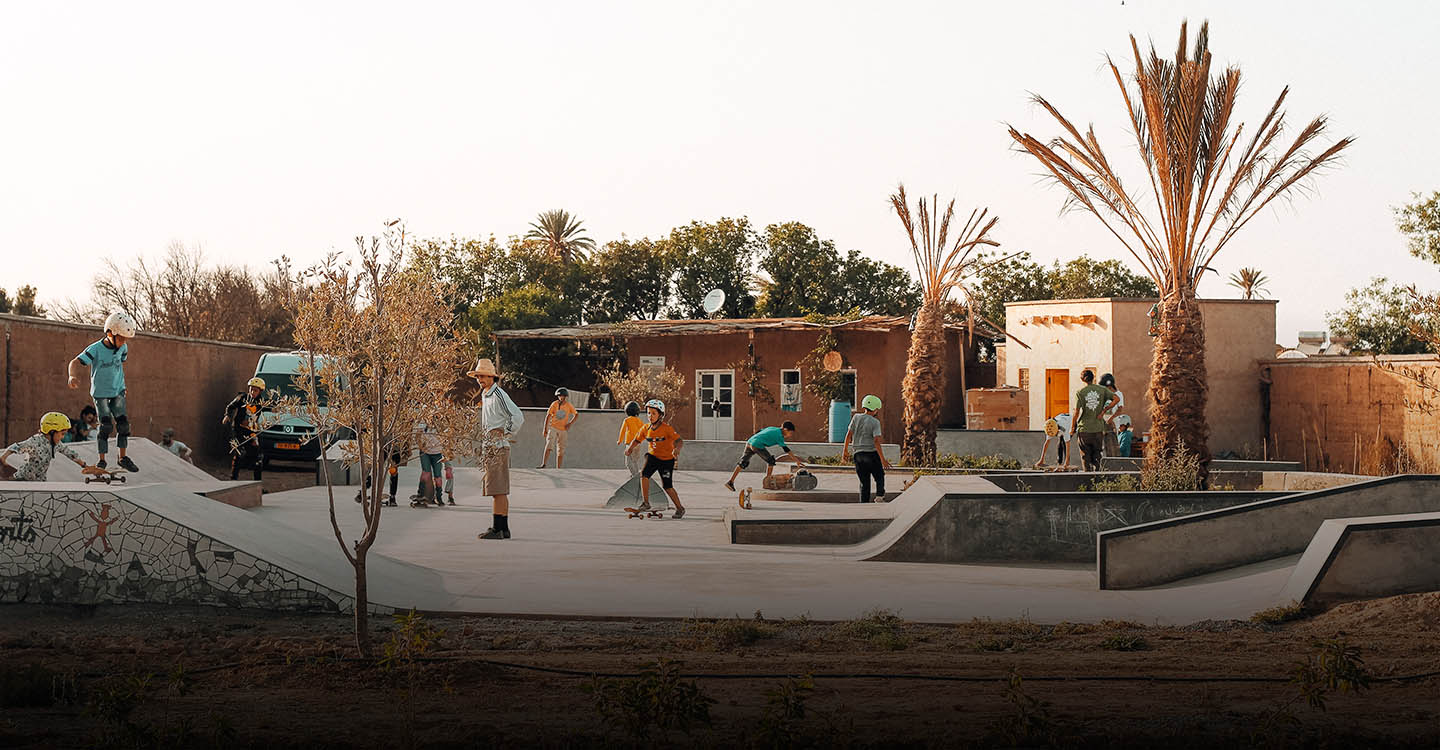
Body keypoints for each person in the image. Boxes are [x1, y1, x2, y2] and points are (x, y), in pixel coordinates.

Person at [67, 311, 140, 472]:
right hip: (100, 394)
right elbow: (74, 362)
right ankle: (102, 460)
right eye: (120, 338)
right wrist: (72, 376)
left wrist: (121, 386)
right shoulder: (96, 349)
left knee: (123, 426)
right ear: (109, 333)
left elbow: (119, 365)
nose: (123, 342)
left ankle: (122, 458)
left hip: (118, 392)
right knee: (106, 426)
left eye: (125, 339)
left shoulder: (123, 348)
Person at [469, 358, 523, 540]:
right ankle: (503, 528)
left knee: (497, 490)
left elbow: (517, 416)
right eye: (478, 376)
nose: (480, 379)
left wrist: (505, 432)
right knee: (497, 490)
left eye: (483, 376)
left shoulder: (498, 394)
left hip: (498, 447)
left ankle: (497, 529)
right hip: (490, 447)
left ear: (492, 377)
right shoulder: (486, 395)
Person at [624, 399, 686, 518]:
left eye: (653, 413)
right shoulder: (645, 428)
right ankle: (646, 503)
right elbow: (637, 439)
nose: (650, 416)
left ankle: (680, 508)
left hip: (667, 460)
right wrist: (630, 448)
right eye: (648, 413)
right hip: (653, 457)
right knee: (644, 474)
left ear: (660, 415)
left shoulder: (666, 429)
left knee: (667, 486)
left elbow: (679, 440)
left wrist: (677, 449)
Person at [1, 412, 94, 481]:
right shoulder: (35, 442)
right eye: (62, 434)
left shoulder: (56, 444)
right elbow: (16, 447)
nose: (63, 437)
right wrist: (3, 458)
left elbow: (71, 454)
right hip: (22, 479)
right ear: (52, 431)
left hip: (40, 481)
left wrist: (85, 466)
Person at [723, 421, 806, 492]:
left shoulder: (772, 428)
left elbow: (759, 431)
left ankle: (730, 482)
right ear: (785, 429)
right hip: (757, 444)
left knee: (743, 463)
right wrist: (797, 461)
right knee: (771, 461)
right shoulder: (779, 436)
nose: (790, 435)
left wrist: (756, 439)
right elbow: (786, 450)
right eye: (790, 433)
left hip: (750, 442)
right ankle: (767, 482)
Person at [842, 395, 892, 503]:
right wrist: (883, 459)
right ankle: (879, 496)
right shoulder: (875, 422)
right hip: (871, 454)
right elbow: (876, 441)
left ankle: (863, 505)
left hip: (858, 455)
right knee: (879, 476)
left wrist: (845, 451)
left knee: (864, 483)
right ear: (875, 409)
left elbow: (848, 435)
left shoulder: (856, 417)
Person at [1069, 370, 1120, 472]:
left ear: (1082, 379)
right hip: (1098, 429)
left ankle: (1088, 481)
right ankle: (1098, 481)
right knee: (1097, 456)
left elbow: (1076, 412)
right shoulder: (1102, 390)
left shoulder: (1080, 393)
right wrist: (1103, 411)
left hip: (1084, 429)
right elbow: (1116, 399)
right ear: (1093, 378)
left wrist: (1073, 427)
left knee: (1085, 457)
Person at [223, 377, 268, 481]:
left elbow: (273, 406)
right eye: (251, 389)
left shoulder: (261, 402)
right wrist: (227, 416)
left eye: (255, 390)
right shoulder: (242, 398)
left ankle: (257, 483)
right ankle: (233, 479)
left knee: (258, 458)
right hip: (238, 431)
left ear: (260, 391)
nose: (252, 392)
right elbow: (230, 406)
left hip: (251, 432)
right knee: (239, 453)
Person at [537, 387, 579, 469]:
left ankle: (558, 468)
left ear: (565, 397)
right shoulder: (554, 404)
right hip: (553, 427)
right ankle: (544, 464)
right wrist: (545, 429)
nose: (561, 398)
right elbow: (548, 416)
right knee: (549, 445)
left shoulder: (569, 405)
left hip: (563, 430)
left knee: (561, 450)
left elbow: (576, 414)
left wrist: (570, 423)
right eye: (560, 396)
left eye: (563, 396)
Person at [411, 420, 446, 506]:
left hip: (438, 453)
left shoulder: (441, 423)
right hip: (425, 452)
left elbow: (447, 438)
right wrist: (421, 447)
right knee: (426, 472)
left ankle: (438, 496)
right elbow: (417, 436)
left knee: (438, 476)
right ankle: (421, 494)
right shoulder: (423, 423)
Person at [616, 401, 647, 475]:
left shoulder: (627, 420)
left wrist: (619, 440)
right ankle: (636, 474)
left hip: (630, 444)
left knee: (628, 462)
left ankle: (635, 475)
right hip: (638, 443)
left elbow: (622, 431)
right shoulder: (639, 420)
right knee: (635, 461)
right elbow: (644, 430)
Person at [1099, 373, 1126, 457]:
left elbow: (1120, 410)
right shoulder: (1104, 394)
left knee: (1112, 444)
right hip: (1102, 422)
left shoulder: (1118, 394)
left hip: (1112, 423)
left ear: (1110, 386)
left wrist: (1111, 419)